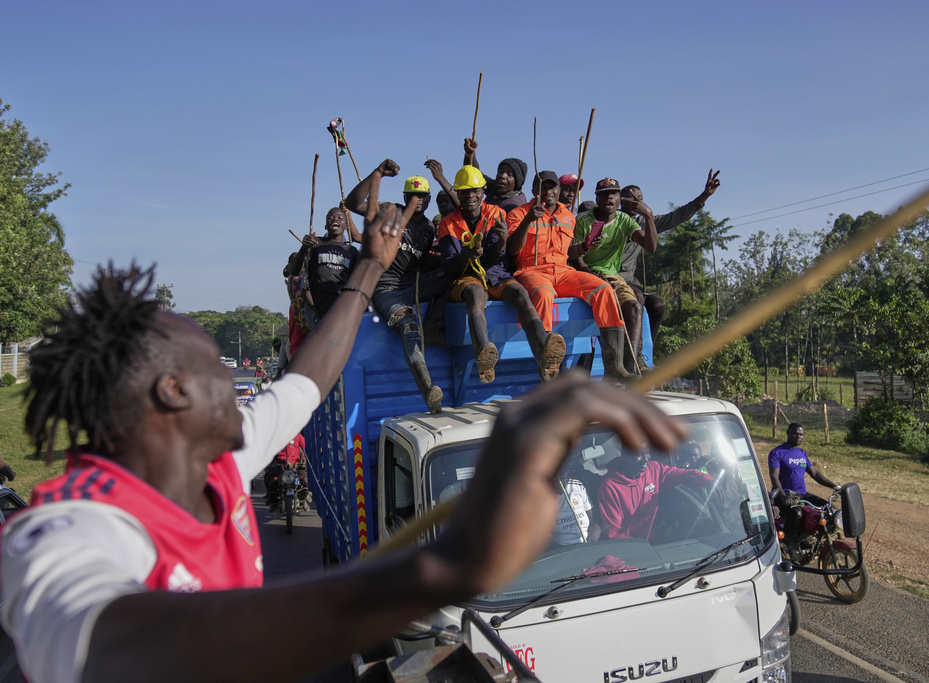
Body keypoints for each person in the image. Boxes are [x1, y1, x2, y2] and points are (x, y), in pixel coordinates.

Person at [1, 187, 686, 682]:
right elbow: (110, 650)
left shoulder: (215, 460)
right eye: (218, 366)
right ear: (172, 392)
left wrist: (367, 267)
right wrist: (447, 567)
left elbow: (304, 383)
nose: (248, 383)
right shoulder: (62, 530)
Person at [438, 165, 565, 382]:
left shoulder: (496, 214)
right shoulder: (447, 224)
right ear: (458, 194)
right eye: (465, 191)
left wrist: (501, 243)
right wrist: (467, 255)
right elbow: (450, 268)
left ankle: (544, 351)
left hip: (495, 273)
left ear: (482, 193)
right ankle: (483, 352)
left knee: (520, 294)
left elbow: (497, 259)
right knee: (476, 296)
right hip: (467, 275)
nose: (470, 196)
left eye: (475, 191)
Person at [506, 171, 633, 381]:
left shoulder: (568, 215)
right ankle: (548, 370)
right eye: (542, 188)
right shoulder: (519, 213)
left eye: (551, 187)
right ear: (533, 191)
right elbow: (512, 250)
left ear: (558, 190)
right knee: (543, 294)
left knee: (604, 289)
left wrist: (584, 247)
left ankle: (614, 367)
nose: (547, 192)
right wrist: (528, 220)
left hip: (564, 271)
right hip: (532, 271)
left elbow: (568, 253)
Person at [346, 160, 449, 413]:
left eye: (422, 196)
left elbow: (421, 259)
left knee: (454, 271)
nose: (418, 200)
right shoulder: (389, 211)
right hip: (385, 289)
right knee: (408, 327)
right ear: (405, 197)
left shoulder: (426, 229)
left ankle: (437, 328)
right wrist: (378, 173)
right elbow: (353, 204)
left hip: (412, 284)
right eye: (413, 196)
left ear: (428, 200)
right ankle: (428, 389)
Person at [617, 171, 721, 353]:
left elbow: (677, 216)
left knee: (659, 305)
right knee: (638, 298)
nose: (637, 202)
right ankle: (632, 352)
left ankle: (647, 352)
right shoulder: (613, 220)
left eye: (640, 198)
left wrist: (704, 195)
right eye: (632, 198)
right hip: (612, 278)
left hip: (630, 281)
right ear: (622, 200)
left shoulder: (645, 222)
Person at [574, 178, 658, 372]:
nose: (609, 197)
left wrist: (649, 216)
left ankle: (631, 368)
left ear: (620, 199)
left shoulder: (624, 220)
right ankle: (611, 369)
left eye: (614, 193)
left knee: (634, 307)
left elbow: (650, 247)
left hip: (613, 277)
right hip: (585, 275)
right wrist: (594, 276)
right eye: (604, 194)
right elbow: (576, 260)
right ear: (596, 197)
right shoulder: (583, 220)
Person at [598, 448, 714, 541]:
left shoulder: (654, 469)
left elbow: (685, 474)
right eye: (639, 454)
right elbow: (614, 534)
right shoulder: (609, 487)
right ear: (625, 456)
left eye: (647, 452)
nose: (646, 459)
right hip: (631, 549)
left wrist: (709, 481)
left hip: (656, 541)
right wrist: (641, 550)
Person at [768, 423, 841, 545]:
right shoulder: (777, 453)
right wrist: (783, 496)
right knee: (797, 513)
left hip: (802, 495)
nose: (798, 436)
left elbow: (815, 474)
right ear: (788, 433)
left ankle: (818, 541)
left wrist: (834, 486)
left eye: (801, 434)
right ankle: (788, 544)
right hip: (784, 496)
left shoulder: (802, 454)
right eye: (795, 433)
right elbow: (774, 476)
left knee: (830, 510)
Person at [461, 138, 529, 213]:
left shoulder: (515, 206)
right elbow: (475, 175)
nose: (502, 176)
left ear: (517, 182)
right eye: (501, 171)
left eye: (509, 174)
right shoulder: (495, 188)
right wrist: (470, 154)